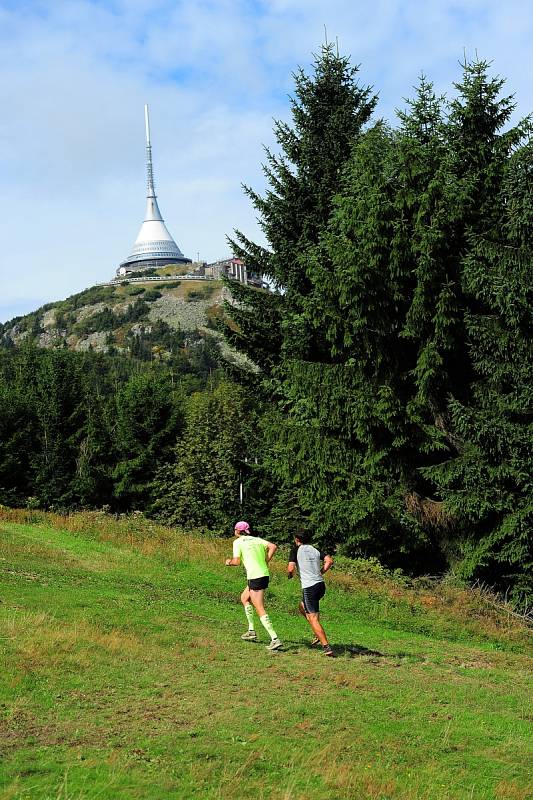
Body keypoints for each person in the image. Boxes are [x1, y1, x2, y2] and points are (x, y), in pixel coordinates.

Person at [225, 521, 282, 651]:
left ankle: (275, 638)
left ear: (237, 531)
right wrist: (266, 560)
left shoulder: (237, 542)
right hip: (262, 574)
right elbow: (273, 546)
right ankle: (251, 630)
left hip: (255, 576)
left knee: (259, 607)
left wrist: (228, 562)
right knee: (244, 598)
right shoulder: (257, 540)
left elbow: (237, 562)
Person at [287, 531, 334, 657]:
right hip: (320, 585)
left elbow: (290, 568)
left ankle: (326, 647)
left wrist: (290, 574)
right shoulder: (315, 549)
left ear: (297, 539)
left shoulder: (295, 550)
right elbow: (329, 561)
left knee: (313, 617)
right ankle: (317, 632)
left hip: (309, 587)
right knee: (302, 607)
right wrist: (320, 572)